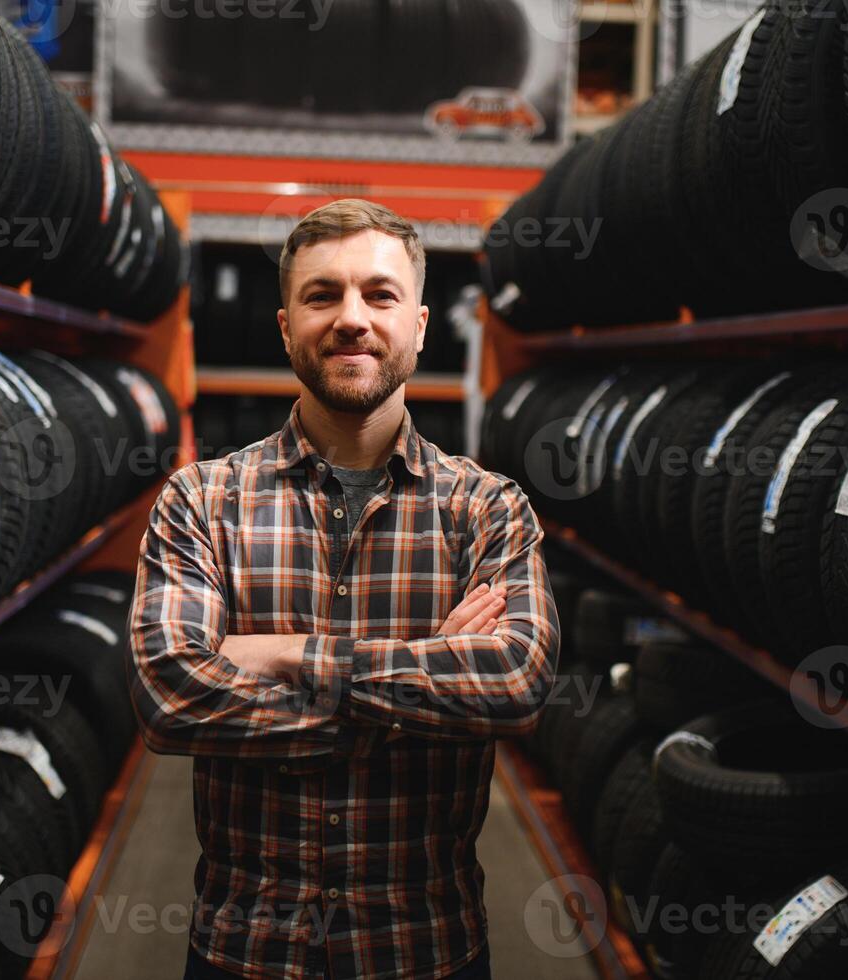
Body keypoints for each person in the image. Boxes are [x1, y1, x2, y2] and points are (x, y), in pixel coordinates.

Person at [129, 198, 560, 980]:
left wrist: (285, 656)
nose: (352, 318)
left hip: (424, 948)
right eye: (321, 295)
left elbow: (518, 685)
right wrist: (426, 667)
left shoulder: (487, 507)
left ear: (421, 324)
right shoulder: (200, 499)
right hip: (244, 949)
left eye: (379, 294)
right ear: (286, 326)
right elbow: (168, 695)